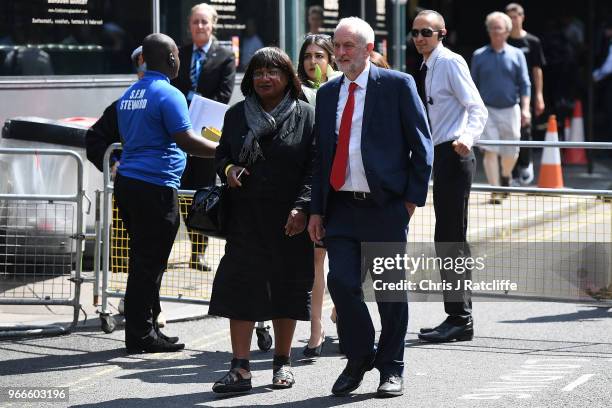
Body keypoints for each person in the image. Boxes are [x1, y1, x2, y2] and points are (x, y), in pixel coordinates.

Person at [308, 17, 433, 398]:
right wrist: (316, 209)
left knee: (389, 291)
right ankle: (360, 357)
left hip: (385, 207)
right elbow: (321, 156)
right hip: (342, 207)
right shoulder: (329, 93)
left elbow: (422, 147)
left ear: (368, 48)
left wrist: (409, 203)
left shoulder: (397, 85)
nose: (341, 53)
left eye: (349, 46)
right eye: (338, 46)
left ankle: (392, 367)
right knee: (341, 283)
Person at [209, 47, 315, 394]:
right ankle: (240, 367)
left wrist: (302, 209)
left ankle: (282, 362)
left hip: (289, 220)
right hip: (245, 217)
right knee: (241, 287)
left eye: (273, 72)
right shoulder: (238, 114)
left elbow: (315, 167)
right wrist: (228, 168)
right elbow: (221, 153)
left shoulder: (305, 114)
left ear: (288, 78)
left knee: (287, 288)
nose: (265, 78)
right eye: (258, 72)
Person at [114, 33, 217, 353]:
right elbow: (186, 140)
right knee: (149, 264)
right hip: (155, 187)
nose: (180, 60)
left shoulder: (130, 93)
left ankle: (147, 327)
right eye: (177, 55)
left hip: (129, 184)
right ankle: (141, 335)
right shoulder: (168, 94)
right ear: (171, 58)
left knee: (144, 261)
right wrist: (223, 149)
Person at [411, 10, 487, 343]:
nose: (418, 38)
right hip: (440, 155)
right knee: (446, 238)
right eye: (414, 33)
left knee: (451, 238)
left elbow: (477, 107)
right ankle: (457, 316)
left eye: (425, 32)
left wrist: (466, 139)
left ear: (441, 33)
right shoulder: (427, 66)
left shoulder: (450, 62)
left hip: (455, 154)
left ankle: (460, 319)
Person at [171, 3, 236, 272]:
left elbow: (224, 93)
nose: (200, 26)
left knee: (202, 189)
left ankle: (198, 252)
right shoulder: (180, 53)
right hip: (180, 127)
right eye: (196, 22)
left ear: (213, 25)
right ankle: (190, 240)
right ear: (190, 24)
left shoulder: (224, 56)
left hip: (206, 131)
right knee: (182, 190)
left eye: (204, 22)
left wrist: (199, 106)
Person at [296, 33, 338, 359]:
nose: (313, 62)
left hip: (339, 186)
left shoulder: (337, 89)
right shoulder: (297, 92)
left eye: (319, 56)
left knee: (341, 261)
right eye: (308, 56)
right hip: (310, 187)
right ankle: (315, 329)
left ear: (330, 58)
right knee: (315, 264)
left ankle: (339, 309)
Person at [471, 12, 530, 204]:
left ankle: (505, 176)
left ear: (507, 31)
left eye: (499, 28)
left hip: (511, 108)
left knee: (511, 151)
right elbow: (472, 85)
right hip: (487, 109)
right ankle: (495, 190)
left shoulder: (517, 54)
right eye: (492, 28)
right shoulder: (479, 56)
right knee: (490, 150)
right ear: (488, 31)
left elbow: (524, 83)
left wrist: (526, 108)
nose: (496, 32)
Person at [505, 3, 546, 186]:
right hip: (506, 94)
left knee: (525, 128)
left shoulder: (533, 41)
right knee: (508, 132)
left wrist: (539, 95)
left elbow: (537, 70)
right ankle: (511, 172)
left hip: (525, 93)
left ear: (522, 17)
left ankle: (525, 163)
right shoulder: (502, 41)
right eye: (510, 16)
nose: (513, 20)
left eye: (516, 16)